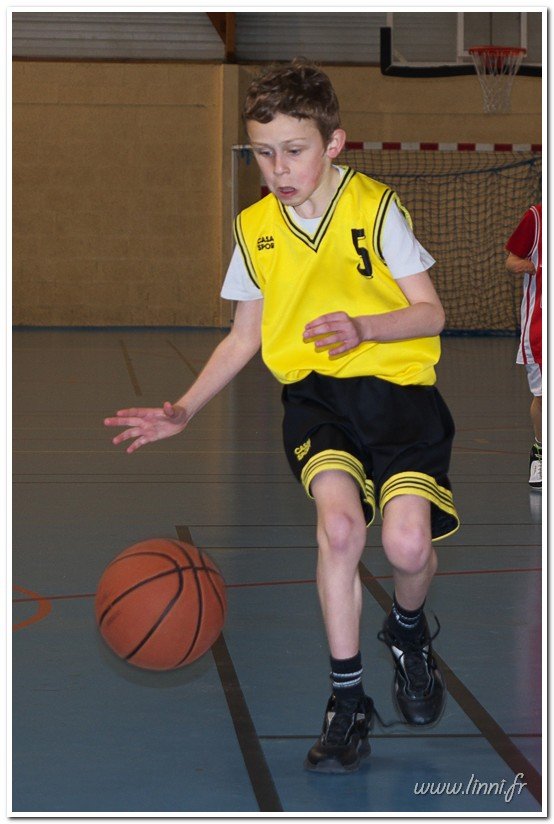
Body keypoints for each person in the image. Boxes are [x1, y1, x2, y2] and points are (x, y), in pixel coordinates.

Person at [105, 58, 460, 775]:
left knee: (407, 549)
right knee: (339, 530)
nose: (278, 169)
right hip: (316, 400)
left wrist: (365, 329)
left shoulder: (375, 208)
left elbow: (432, 313)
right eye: (263, 153)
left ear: (333, 143)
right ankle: (346, 698)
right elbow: (245, 338)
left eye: (293, 150)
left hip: (399, 396)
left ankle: (408, 631)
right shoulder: (255, 228)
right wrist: (184, 408)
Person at [505, 204, 542, 491]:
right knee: (544, 395)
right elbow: (512, 261)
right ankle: (540, 452)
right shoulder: (538, 216)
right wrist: (531, 266)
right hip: (542, 325)